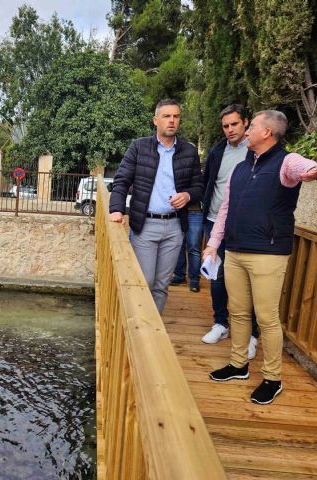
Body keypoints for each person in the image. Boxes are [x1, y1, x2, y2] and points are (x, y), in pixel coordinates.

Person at [202, 110, 317, 405]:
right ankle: (239, 365)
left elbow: (302, 169)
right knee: (238, 313)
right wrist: (213, 244)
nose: (247, 129)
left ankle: (272, 378)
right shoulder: (241, 168)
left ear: (267, 132)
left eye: (252, 125)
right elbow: (225, 209)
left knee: (266, 319)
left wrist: (316, 171)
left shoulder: (286, 161)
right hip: (235, 250)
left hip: (267, 254)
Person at [109, 99, 203, 313]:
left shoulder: (189, 151)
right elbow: (121, 180)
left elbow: (199, 186)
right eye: (166, 116)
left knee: (161, 286)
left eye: (176, 116)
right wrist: (116, 209)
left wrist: (188, 195)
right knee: (144, 282)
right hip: (145, 224)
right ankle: (139, 330)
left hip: (175, 227)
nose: (172, 121)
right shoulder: (139, 147)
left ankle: (155, 329)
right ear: (155, 120)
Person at [201, 104, 259, 360]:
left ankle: (252, 335)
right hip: (215, 222)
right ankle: (221, 324)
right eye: (225, 126)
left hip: (245, 227)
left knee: (249, 280)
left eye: (234, 124)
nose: (230, 130)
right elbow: (209, 183)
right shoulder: (217, 151)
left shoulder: (257, 151)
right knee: (217, 278)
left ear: (245, 122)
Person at [170, 205, 203, 292]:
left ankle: (194, 279)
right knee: (178, 245)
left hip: (196, 211)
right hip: (177, 212)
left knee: (194, 247)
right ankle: (179, 275)